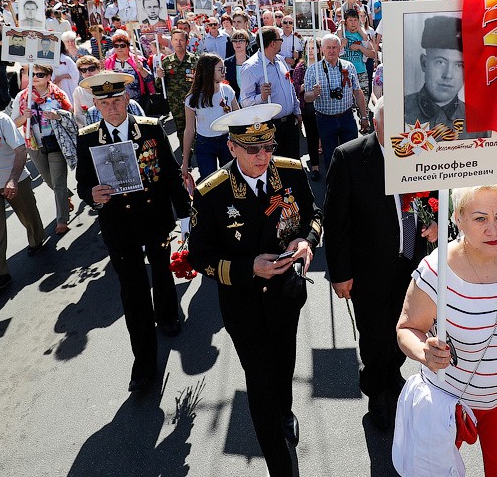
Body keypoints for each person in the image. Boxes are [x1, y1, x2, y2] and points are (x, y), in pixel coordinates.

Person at [187, 104, 322, 477]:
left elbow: (313, 214)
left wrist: (307, 240)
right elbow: (200, 256)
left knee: (284, 365)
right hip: (243, 305)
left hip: (287, 295)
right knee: (260, 381)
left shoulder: (290, 172)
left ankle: (285, 412)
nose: (264, 156)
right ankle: (280, 465)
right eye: (253, 149)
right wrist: (249, 268)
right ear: (232, 148)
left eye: (268, 146)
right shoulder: (211, 192)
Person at [394, 181, 497, 476]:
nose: (493, 230)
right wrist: (423, 351)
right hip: (449, 400)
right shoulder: (435, 270)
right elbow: (406, 328)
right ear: (459, 218)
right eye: (480, 218)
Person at [325, 98, 438, 430]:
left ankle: (392, 374)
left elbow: (428, 196)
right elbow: (336, 223)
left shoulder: (419, 152)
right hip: (368, 269)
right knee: (375, 335)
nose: (404, 133)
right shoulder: (349, 157)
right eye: (394, 126)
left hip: (411, 265)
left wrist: (431, 222)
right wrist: (341, 274)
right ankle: (375, 389)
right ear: (376, 125)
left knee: (403, 327)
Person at [75, 71, 191, 393]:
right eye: (104, 102)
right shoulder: (87, 138)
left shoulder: (151, 129)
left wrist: (185, 218)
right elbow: (82, 180)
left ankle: (167, 314)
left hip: (154, 216)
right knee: (133, 291)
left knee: (163, 270)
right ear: (95, 105)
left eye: (116, 100)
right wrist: (90, 194)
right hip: (118, 225)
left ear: (127, 99)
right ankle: (143, 364)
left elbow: (170, 176)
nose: (112, 108)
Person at [12, 64, 76, 236]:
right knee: (50, 182)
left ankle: (62, 220)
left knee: (58, 183)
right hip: (34, 145)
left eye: (40, 74)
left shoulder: (58, 95)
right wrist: (24, 117)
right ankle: (65, 196)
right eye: (32, 74)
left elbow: (71, 117)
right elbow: (13, 124)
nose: (36, 77)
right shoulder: (22, 97)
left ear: (49, 77)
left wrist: (57, 116)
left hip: (56, 143)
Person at [403, 16, 484, 140]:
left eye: (459, 65)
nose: (448, 75)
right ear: (424, 63)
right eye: (440, 62)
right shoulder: (401, 110)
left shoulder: (478, 121)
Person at [0, 105, 45, 294]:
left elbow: (20, 150)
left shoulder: (1, 121)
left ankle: (36, 241)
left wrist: (13, 179)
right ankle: (0, 274)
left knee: (29, 217)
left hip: (14, 179)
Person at [304, 33, 369, 170]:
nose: (331, 51)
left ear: (340, 49)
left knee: (352, 155)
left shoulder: (349, 66)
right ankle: (333, 188)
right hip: (325, 120)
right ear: (322, 49)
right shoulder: (312, 70)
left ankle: (351, 188)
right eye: (328, 48)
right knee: (331, 158)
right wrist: (314, 93)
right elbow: (306, 98)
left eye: (334, 47)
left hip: (347, 117)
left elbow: (357, 92)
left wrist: (364, 117)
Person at [239, 26, 302, 160]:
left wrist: (297, 111)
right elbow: (244, 102)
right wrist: (260, 97)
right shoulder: (251, 67)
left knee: (293, 165)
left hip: (290, 124)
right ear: (273, 43)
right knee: (275, 167)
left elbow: (290, 87)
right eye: (280, 40)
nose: (282, 42)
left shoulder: (280, 60)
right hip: (270, 127)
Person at [181, 53, 239, 183]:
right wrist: (185, 162)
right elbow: (189, 130)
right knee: (210, 182)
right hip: (205, 144)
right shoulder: (192, 99)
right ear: (208, 71)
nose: (224, 72)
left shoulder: (228, 90)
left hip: (227, 141)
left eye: (224, 69)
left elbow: (238, 118)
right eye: (220, 69)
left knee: (231, 179)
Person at [156, 28, 199, 143]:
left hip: (194, 102)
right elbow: (160, 86)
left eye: (181, 40)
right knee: (181, 132)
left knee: (197, 130)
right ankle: (186, 157)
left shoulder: (195, 60)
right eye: (175, 40)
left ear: (186, 41)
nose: (178, 43)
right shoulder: (166, 62)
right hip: (176, 104)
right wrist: (160, 76)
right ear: (172, 42)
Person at [290, 38, 321, 180]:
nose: (310, 50)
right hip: (308, 106)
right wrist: (306, 86)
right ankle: (315, 166)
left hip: (325, 105)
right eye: (308, 48)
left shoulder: (324, 65)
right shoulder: (301, 67)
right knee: (312, 136)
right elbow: (295, 88)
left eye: (313, 48)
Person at [103, 30, 156, 106]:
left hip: (137, 100)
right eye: (116, 46)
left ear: (128, 46)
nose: (119, 48)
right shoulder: (108, 62)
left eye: (122, 45)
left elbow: (150, 79)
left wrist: (141, 69)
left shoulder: (139, 60)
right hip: (116, 101)